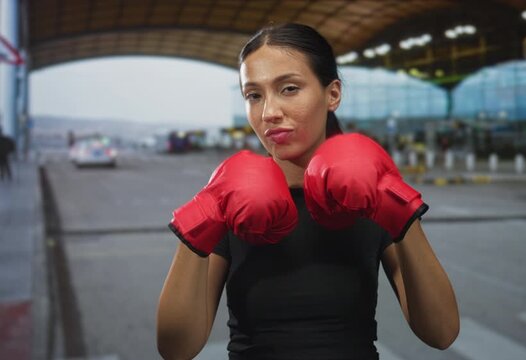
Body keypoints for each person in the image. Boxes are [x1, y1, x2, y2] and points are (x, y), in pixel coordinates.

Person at [156, 23, 459, 360]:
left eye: (288, 88)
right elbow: (176, 348)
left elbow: (442, 332)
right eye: (253, 95)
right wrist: (203, 216)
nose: (269, 112)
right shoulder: (233, 200)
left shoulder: (367, 196)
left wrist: (398, 205)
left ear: (332, 94)